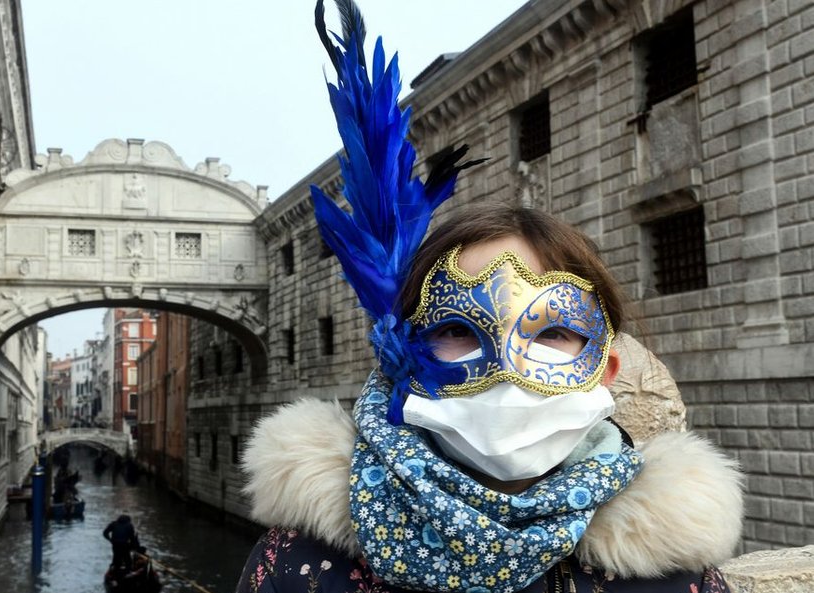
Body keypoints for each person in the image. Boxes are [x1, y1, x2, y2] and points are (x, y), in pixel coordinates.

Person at [236, 3, 743, 593]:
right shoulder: (301, 566)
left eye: (553, 331)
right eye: (457, 329)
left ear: (604, 369)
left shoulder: (667, 577)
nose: (508, 373)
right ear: (401, 361)